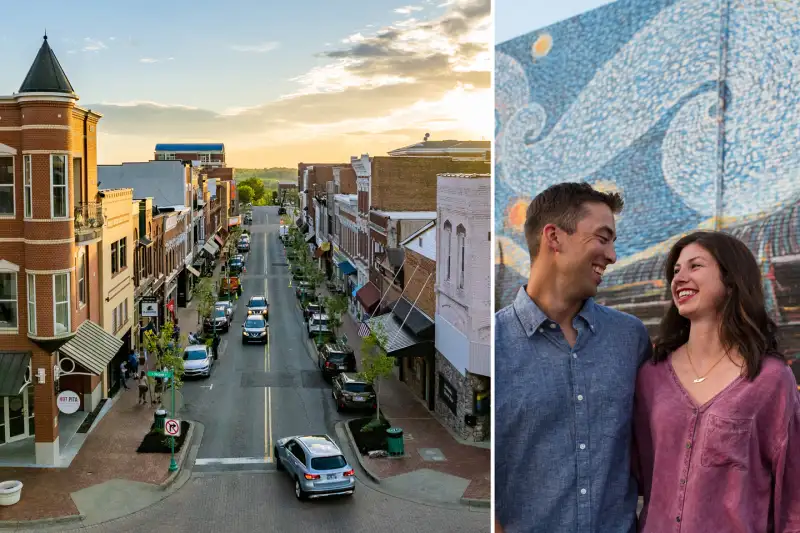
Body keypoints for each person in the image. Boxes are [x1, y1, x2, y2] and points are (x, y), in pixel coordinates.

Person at [495, 182, 651, 533]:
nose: (612, 256)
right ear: (554, 238)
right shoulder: (495, 345)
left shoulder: (631, 339)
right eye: (602, 237)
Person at [633, 231, 799, 532]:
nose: (679, 278)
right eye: (676, 270)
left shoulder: (769, 379)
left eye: (695, 266)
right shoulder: (651, 376)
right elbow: (637, 477)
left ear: (732, 280)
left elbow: (794, 498)